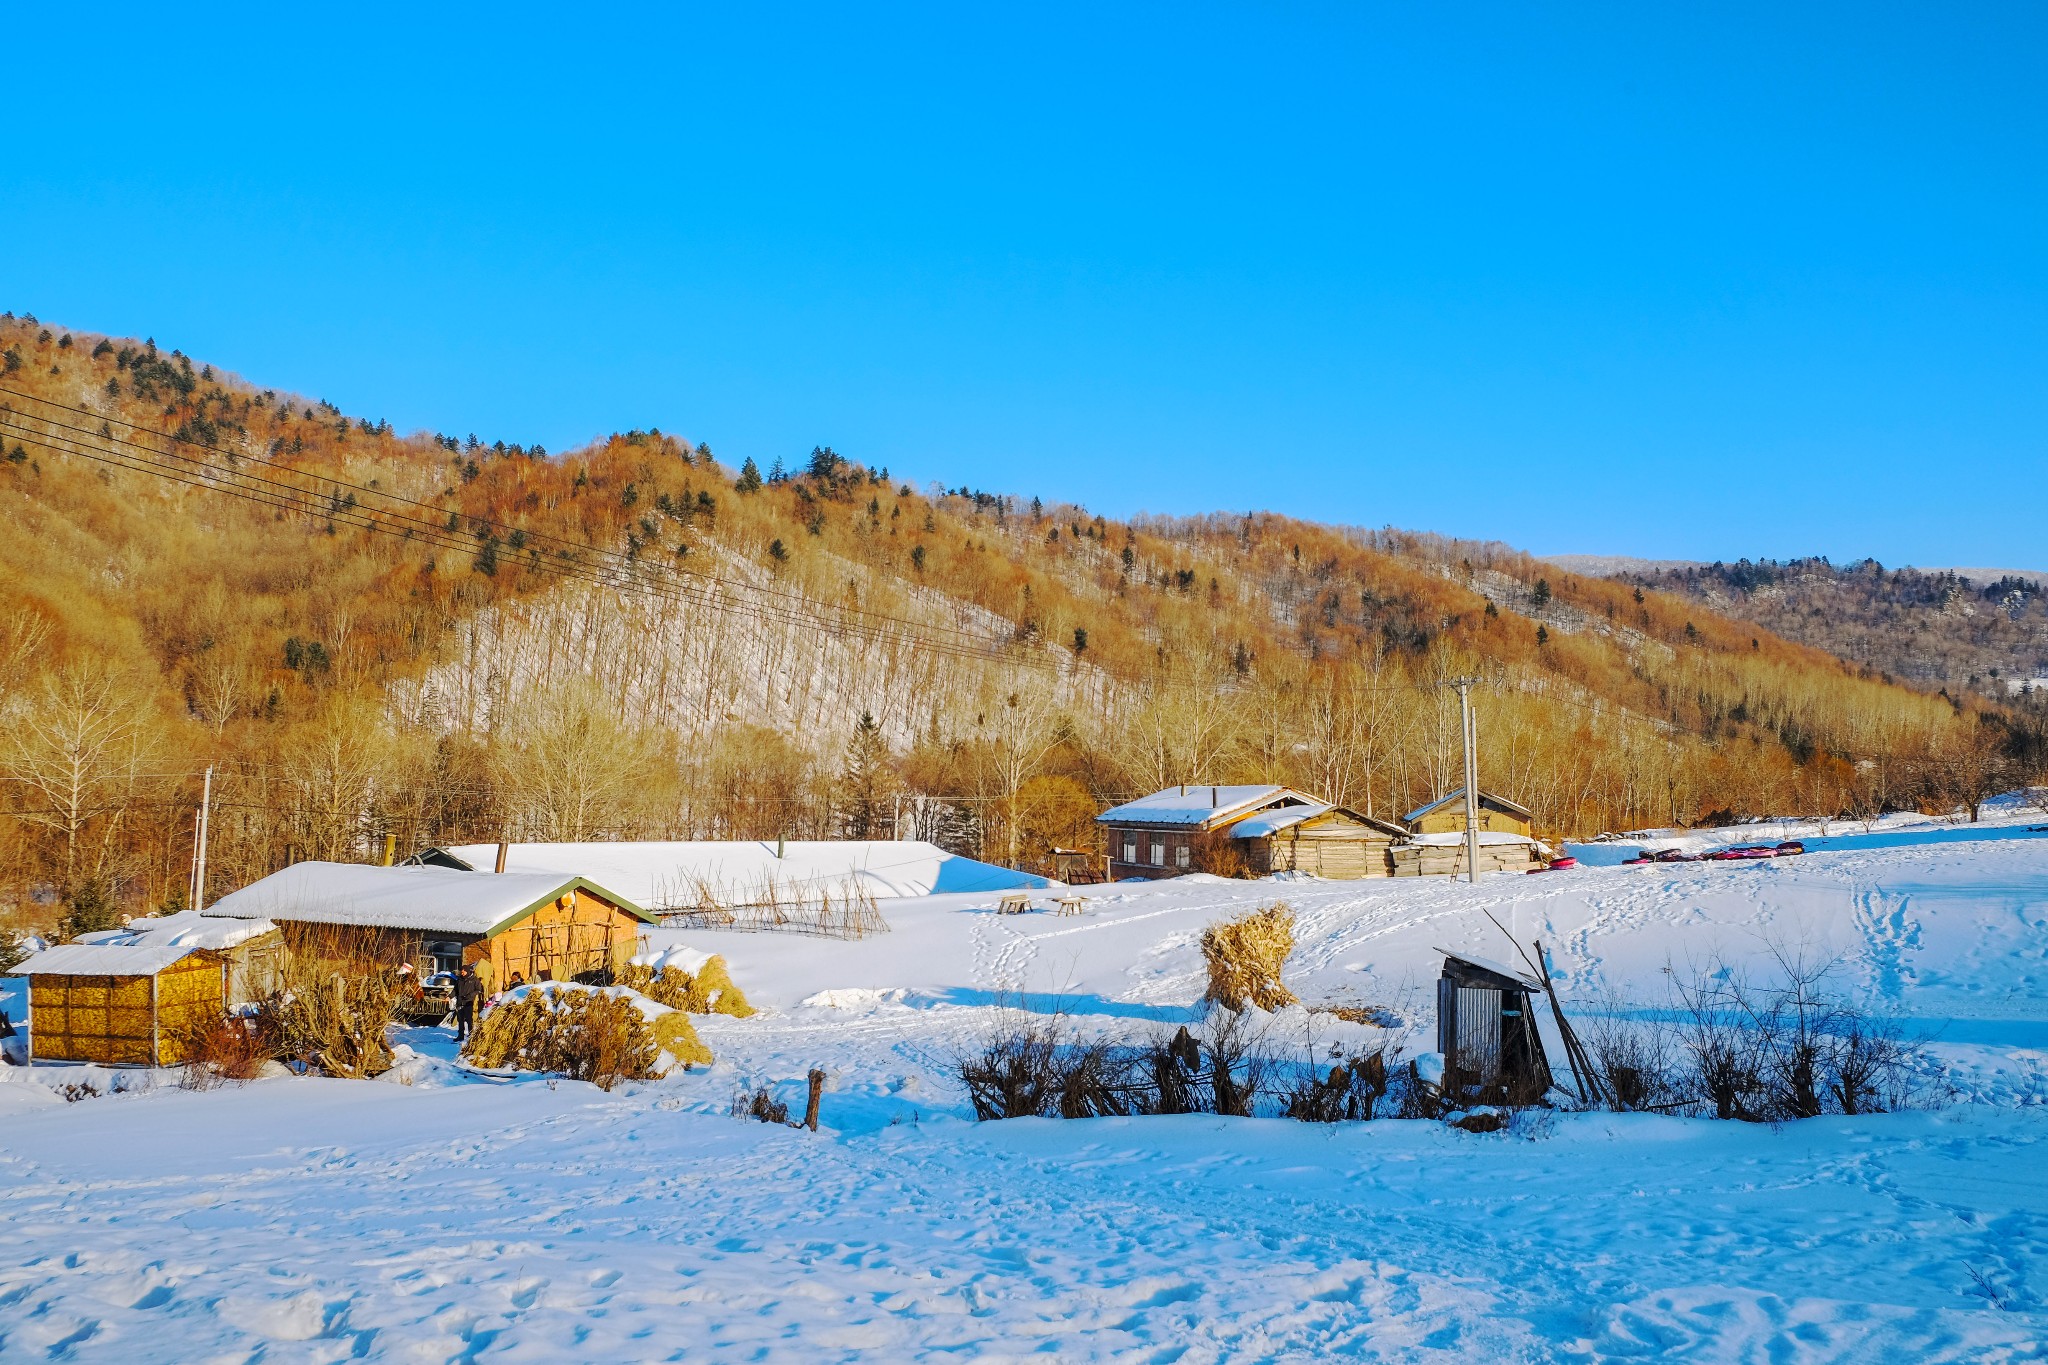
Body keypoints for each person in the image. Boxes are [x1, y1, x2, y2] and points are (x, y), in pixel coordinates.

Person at [452, 963, 483, 1042]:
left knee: (469, 1020)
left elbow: (478, 990)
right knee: (460, 1020)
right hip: (460, 1002)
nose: (461, 974)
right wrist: (449, 996)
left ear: (467, 971)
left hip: (468, 1002)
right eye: (461, 972)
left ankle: (471, 1035)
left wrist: (470, 995)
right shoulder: (459, 980)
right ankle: (460, 1035)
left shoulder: (474, 980)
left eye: (463, 972)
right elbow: (455, 990)